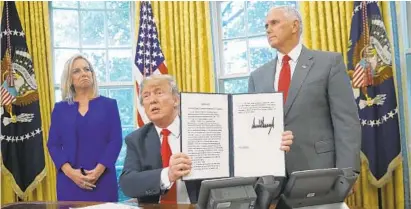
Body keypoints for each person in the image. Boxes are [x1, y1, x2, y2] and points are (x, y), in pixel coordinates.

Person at [119, 74, 294, 204]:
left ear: (176, 99)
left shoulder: (206, 126)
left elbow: (239, 163)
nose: (152, 100)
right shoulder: (136, 139)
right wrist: (168, 174)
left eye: (158, 92)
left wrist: (271, 145)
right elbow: (128, 183)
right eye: (146, 96)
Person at [248, 6, 361, 175]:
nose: (268, 29)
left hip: (320, 171)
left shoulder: (329, 63)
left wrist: (348, 172)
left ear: (295, 26)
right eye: (266, 26)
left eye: (274, 23)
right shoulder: (257, 77)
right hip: (272, 178)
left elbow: (346, 122)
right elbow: (252, 130)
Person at [47, 54, 122, 201]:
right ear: (69, 79)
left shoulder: (109, 105)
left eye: (87, 69)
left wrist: (97, 172)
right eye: (76, 71)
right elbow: (53, 145)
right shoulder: (60, 109)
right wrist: (71, 173)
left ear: (92, 74)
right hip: (69, 182)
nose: (83, 73)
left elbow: (115, 141)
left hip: (103, 180)